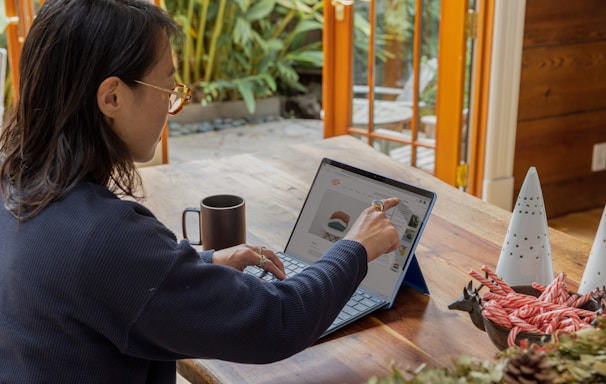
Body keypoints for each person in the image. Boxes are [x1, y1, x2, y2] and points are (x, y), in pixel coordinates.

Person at [0, 0, 401, 382]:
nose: (172, 106)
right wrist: (357, 248)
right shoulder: (104, 237)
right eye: (167, 88)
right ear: (112, 97)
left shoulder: (12, 185)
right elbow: (276, 321)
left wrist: (203, 265)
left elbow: (103, 283)